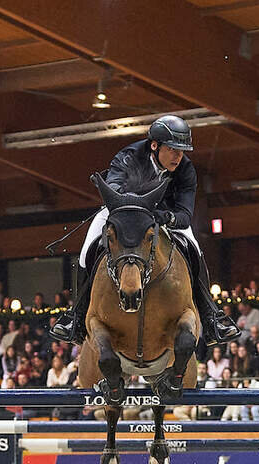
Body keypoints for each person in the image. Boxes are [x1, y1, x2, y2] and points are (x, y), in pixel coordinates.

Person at [50, 115, 240, 346]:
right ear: (154, 145)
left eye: (181, 150)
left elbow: (184, 214)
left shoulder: (186, 169)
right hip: (123, 212)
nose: (178, 156)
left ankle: (211, 318)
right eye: (172, 149)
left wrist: (166, 216)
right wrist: (138, 207)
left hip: (161, 216)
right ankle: (76, 319)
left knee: (194, 249)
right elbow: (115, 190)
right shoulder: (128, 157)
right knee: (87, 250)